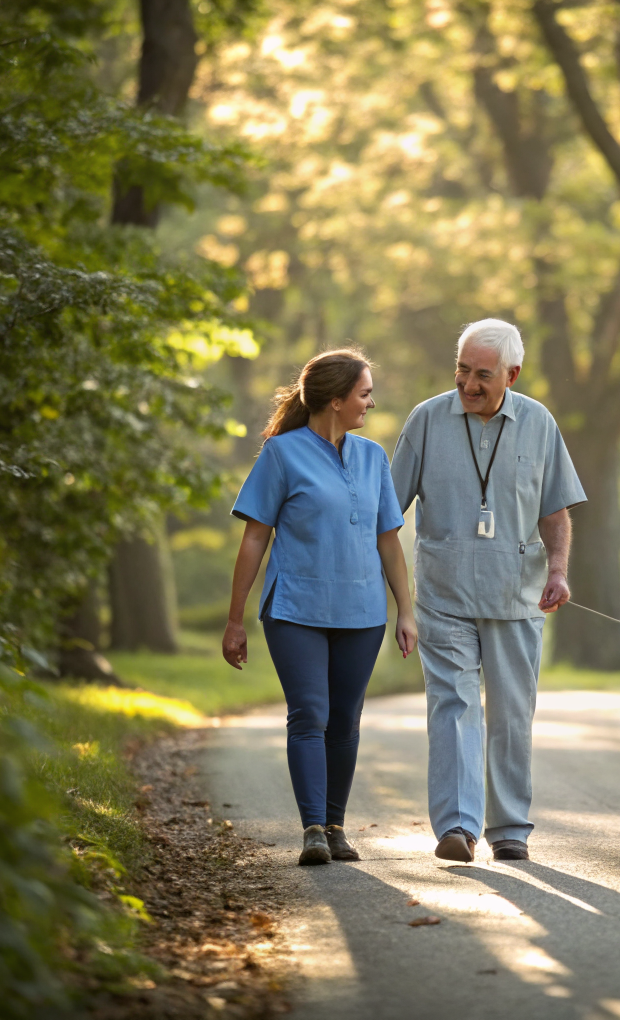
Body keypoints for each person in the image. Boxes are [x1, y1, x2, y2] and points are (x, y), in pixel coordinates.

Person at [390, 319, 585, 863]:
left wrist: (559, 572)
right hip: (443, 594)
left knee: (510, 713)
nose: (468, 384)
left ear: (511, 374)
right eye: (461, 370)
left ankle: (509, 830)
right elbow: (387, 509)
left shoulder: (539, 423)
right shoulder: (426, 420)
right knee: (452, 706)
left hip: (517, 595)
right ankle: (457, 826)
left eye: (482, 375)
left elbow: (555, 510)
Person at [222, 349, 417, 866]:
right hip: (295, 609)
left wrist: (406, 610)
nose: (371, 403)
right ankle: (312, 829)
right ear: (336, 400)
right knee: (309, 713)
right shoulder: (281, 455)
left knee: (344, 721)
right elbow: (253, 541)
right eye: (365, 394)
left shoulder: (374, 457)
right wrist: (234, 618)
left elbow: (390, 543)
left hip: (362, 613)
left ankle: (335, 826)